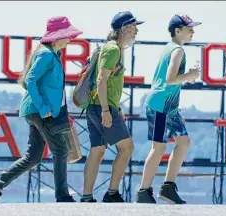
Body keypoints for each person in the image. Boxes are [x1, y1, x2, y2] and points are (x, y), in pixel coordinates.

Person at [0, 16, 83, 203]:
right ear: (57, 36)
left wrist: (61, 113)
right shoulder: (46, 55)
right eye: (68, 35)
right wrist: (44, 107)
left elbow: (53, 90)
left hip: (38, 110)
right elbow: (30, 80)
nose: (70, 39)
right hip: (40, 110)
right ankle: (62, 195)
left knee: (34, 156)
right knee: (61, 150)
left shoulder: (52, 54)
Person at [135, 14, 201, 204]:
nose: (193, 31)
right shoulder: (178, 51)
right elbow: (171, 79)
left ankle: (168, 188)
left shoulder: (170, 48)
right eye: (189, 28)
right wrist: (190, 75)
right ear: (177, 31)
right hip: (160, 106)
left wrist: (187, 76)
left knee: (183, 142)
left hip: (167, 106)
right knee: (159, 147)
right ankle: (143, 192)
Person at [81, 11, 144, 203]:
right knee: (127, 149)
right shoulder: (113, 50)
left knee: (97, 150)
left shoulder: (111, 48)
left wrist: (113, 108)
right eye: (133, 27)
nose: (136, 31)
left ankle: (86, 196)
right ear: (123, 29)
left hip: (95, 106)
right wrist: (107, 110)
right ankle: (112, 193)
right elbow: (101, 80)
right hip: (102, 107)